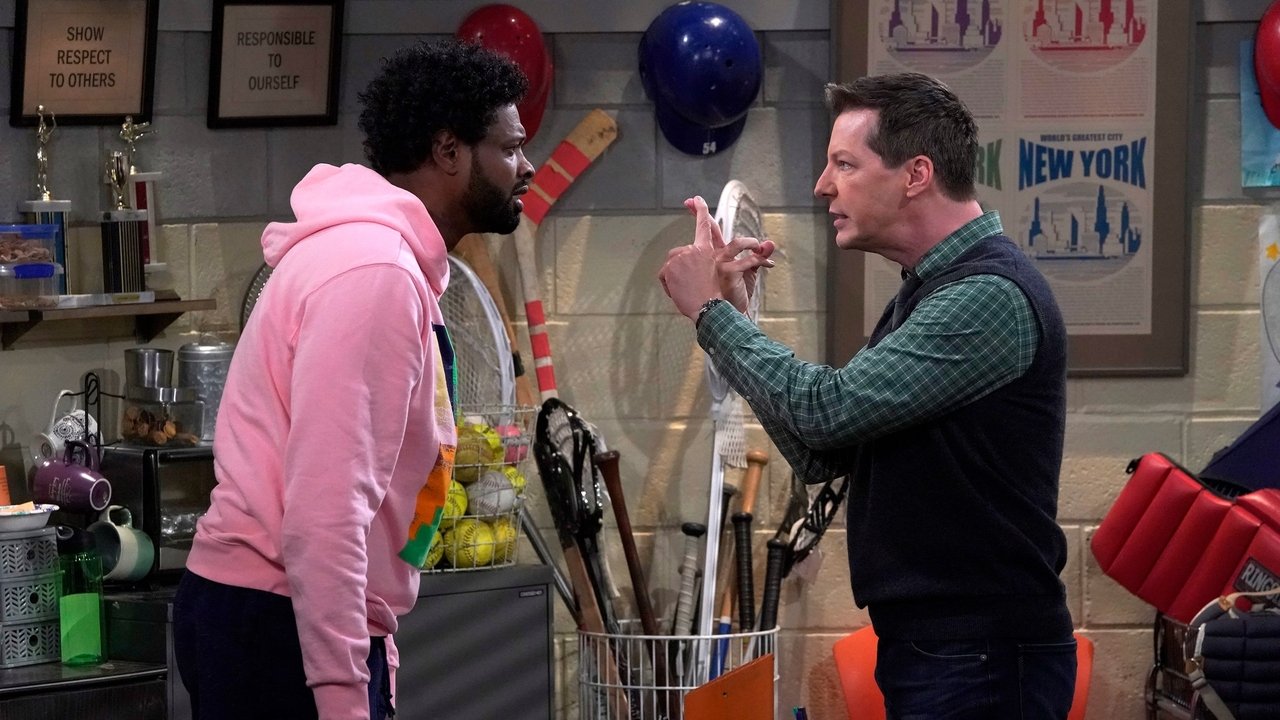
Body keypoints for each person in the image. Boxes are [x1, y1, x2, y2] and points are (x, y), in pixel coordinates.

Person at [659, 72, 1076, 719]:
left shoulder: (986, 296)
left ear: (916, 175)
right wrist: (732, 319)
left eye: (844, 164)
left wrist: (711, 314)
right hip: (946, 650)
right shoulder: (930, 289)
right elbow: (824, 450)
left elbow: (825, 413)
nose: (823, 185)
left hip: (981, 656)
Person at [173, 39, 535, 720]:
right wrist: (343, 694)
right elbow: (327, 505)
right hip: (277, 622)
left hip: (285, 616)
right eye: (510, 148)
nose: (527, 166)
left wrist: (377, 645)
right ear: (449, 150)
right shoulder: (375, 273)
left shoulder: (381, 259)